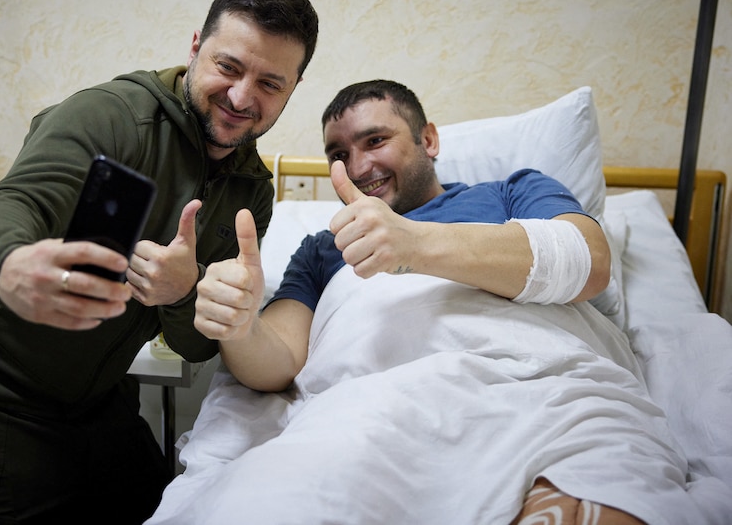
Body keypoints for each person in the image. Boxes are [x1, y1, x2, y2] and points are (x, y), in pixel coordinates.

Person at [0, 0, 318, 524]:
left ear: (292, 88)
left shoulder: (250, 191)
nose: (242, 98)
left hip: (94, 399)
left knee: (163, 506)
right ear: (195, 47)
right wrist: (10, 265)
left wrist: (181, 291)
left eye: (270, 83)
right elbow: (15, 202)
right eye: (229, 67)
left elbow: (194, 346)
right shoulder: (115, 117)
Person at [190, 80, 668, 524]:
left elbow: (588, 261)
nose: (357, 168)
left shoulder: (511, 192)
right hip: (370, 408)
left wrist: (413, 244)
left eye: (374, 141)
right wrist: (239, 324)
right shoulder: (323, 247)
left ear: (429, 140)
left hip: (543, 391)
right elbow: (277, 365)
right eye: (339, 153)